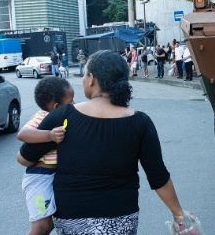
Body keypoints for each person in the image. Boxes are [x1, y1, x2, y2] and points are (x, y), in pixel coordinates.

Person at [18, 50, 193, 234]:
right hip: (121, 220)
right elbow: (158, 177)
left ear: (92, 79)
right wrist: (179, 214)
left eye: (85, 74)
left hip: (72, 218)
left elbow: (25, 158)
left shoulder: (63, 116)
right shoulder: (141, 122)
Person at [17, 77, 75, 235]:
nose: (74, 104)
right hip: (40, 177)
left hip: (55, 176)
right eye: (71, 102)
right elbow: (23, 134)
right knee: (41, 227)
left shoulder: (64, 119)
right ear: (56, 107)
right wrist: (49, 135)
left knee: (49, 225)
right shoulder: (42, 117)